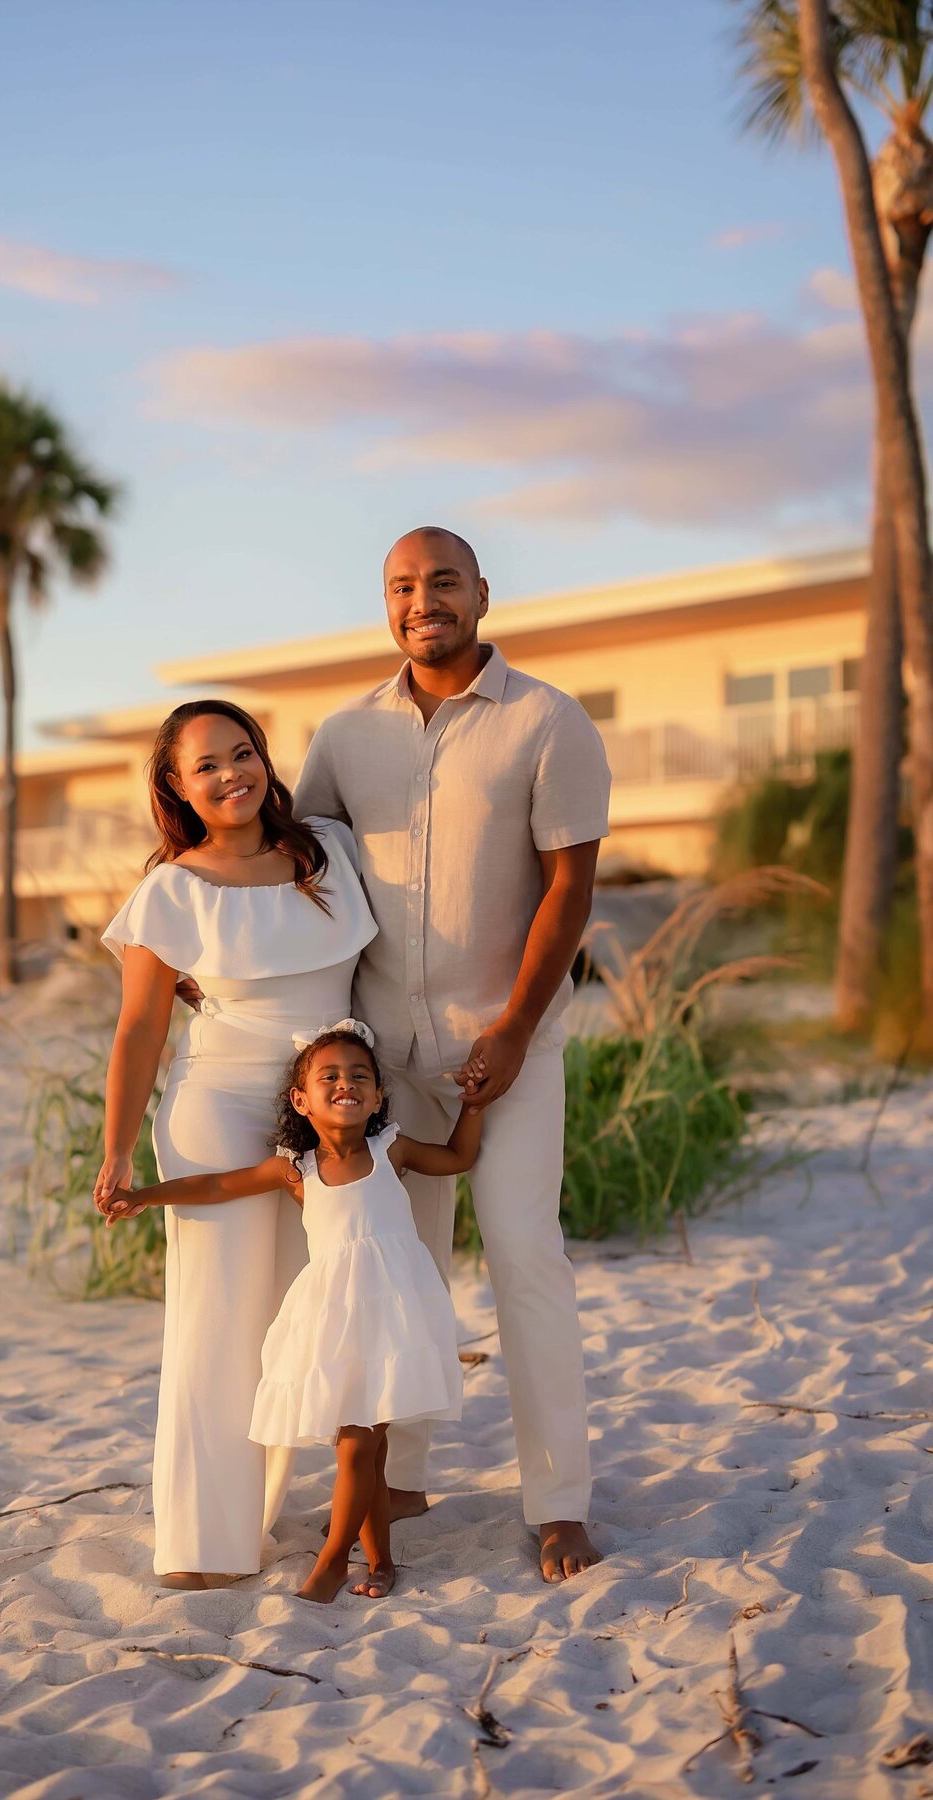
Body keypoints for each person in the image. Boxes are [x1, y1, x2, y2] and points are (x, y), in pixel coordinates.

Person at [293, 526, 611, 1584]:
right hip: (381, 1061)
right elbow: (303, 877)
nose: (421, 599)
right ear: (385, 605)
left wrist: (515, 1030)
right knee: (402, 1271)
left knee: (526, 1260)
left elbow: (569, 887)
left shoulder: (547, 721)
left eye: (440, 581)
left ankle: (558, 1500)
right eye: (400, 586)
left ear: (481, 592)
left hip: (504, 1046)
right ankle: (407, 1474)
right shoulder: (341, 738)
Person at [94, 699, 377, 1587]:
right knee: (216, 1322)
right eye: (206, 765)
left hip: (324, 1114)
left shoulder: (326, 850)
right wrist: (116, 1153)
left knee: (306, 1313)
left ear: (265, 759)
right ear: (176, 785)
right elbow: (140, 1029)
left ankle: (261, 1511)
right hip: (214, 1108)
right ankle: (205, 1544)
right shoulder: (172, 890)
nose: (230, 775)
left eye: (242, 753)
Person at [101, 1021, 481, 1603]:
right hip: (335, 1314)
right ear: (301, 1101)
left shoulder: (391, 1149)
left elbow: (458, 1157)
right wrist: (145, 1196)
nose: (346, 1083)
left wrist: (474, 1103)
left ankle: (333, 1562)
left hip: (395, 1307)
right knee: (363, 1444)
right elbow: (220, 1185)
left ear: (378, 1096)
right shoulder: (296, 1169)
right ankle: (379, 1563)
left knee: (362, 1439)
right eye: (328, 1076)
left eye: (360, 1075)